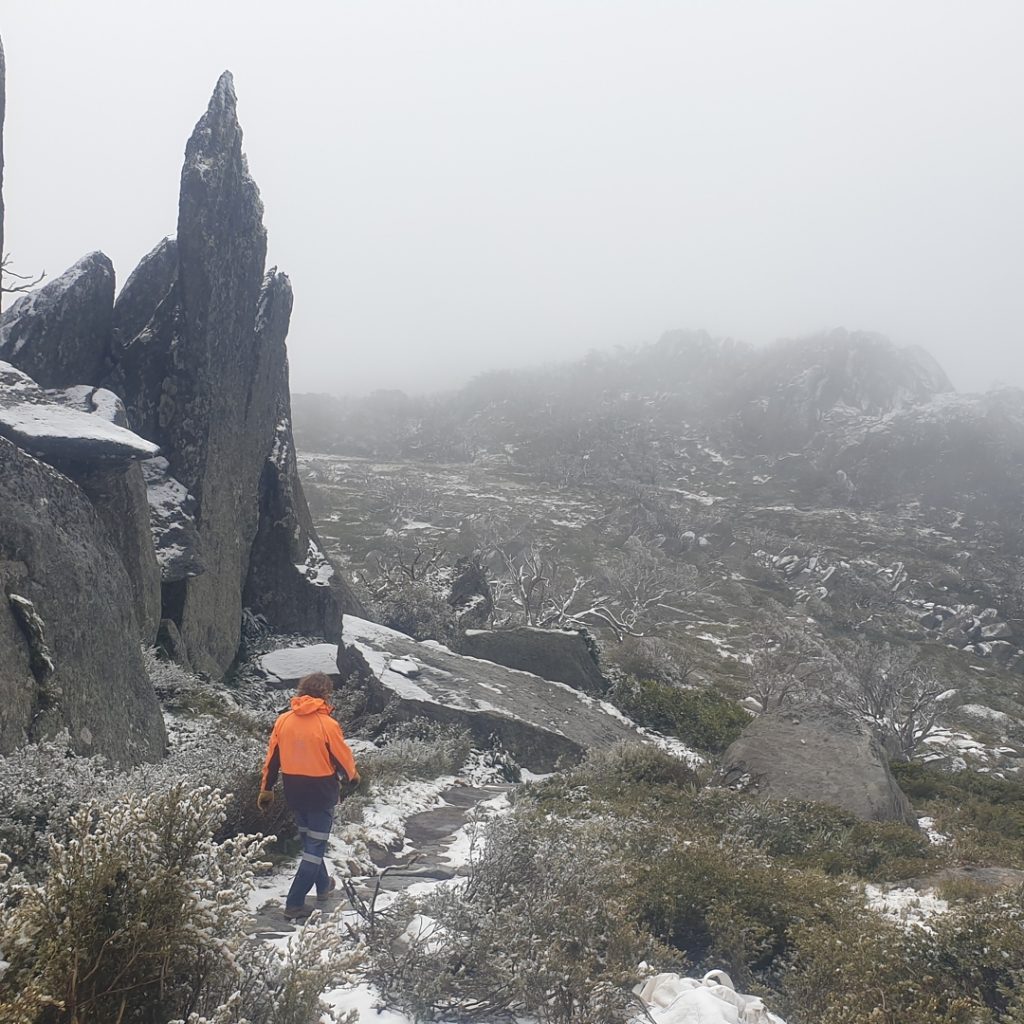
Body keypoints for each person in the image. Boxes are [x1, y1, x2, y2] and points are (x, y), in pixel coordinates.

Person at [258, 671, 359, 920]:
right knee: (315, 848)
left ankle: (323, 886)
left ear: (301, 691)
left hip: (294, 790)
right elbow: (343, 759)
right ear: (325, 693)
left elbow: (272, 759)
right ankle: (294, 904)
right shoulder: (328, 724)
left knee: (309, 841)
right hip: (321, 793)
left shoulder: (284, 720)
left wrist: (267, 788)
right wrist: (353, 777)